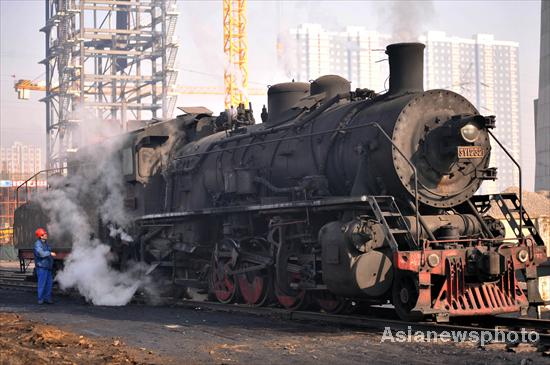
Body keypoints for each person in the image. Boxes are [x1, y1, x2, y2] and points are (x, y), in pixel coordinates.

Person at [33, 228, 56, 304]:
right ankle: (40, 299)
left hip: (48, 267)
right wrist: (50, 253)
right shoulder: (37, 244)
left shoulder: (46, 244)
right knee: (42, 284)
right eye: (44, 234)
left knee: (49, 284)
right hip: (42, 267)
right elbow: (41, 254)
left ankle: (47, 298)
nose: (46, 235)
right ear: (41, 236)